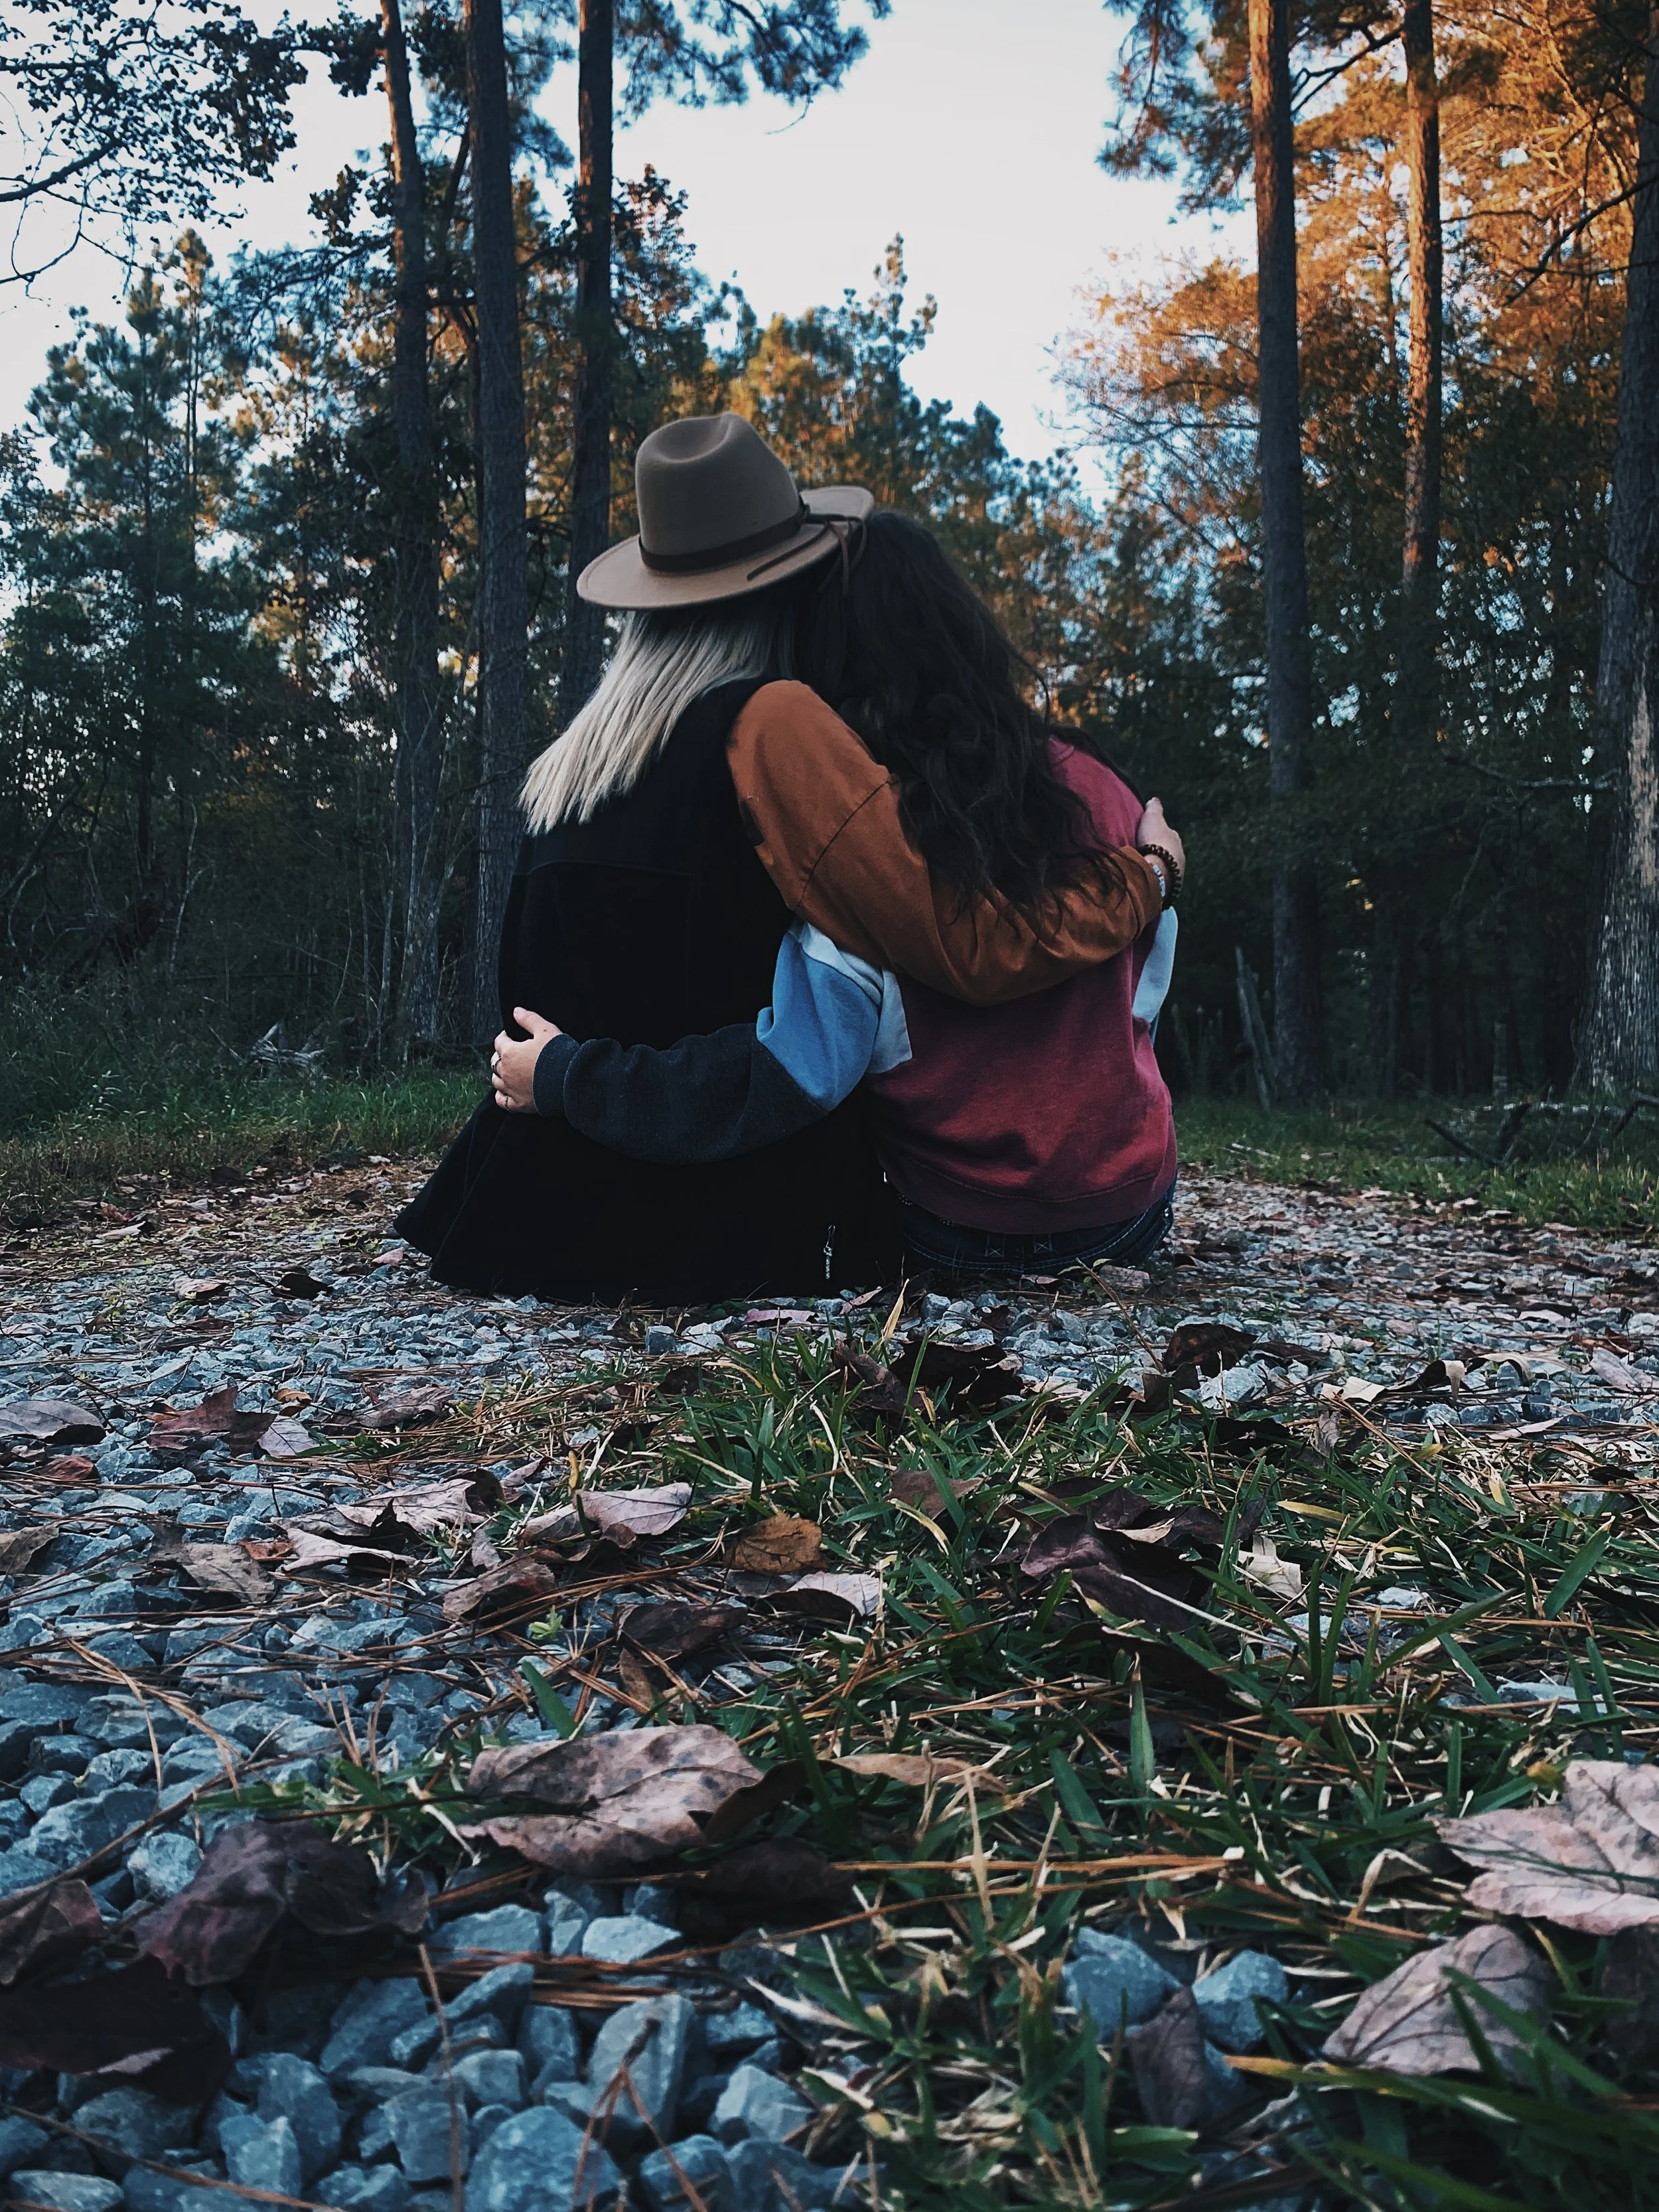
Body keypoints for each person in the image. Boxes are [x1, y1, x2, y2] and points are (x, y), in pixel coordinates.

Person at [399, 413, 1175, 1303]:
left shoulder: (574, 759)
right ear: (779, 589)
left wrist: (525, 1124)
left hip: (538, 1210)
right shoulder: (775, 722)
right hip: (710, 1219)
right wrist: (1146, 875)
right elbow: (968, 948)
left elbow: (562, 1004)